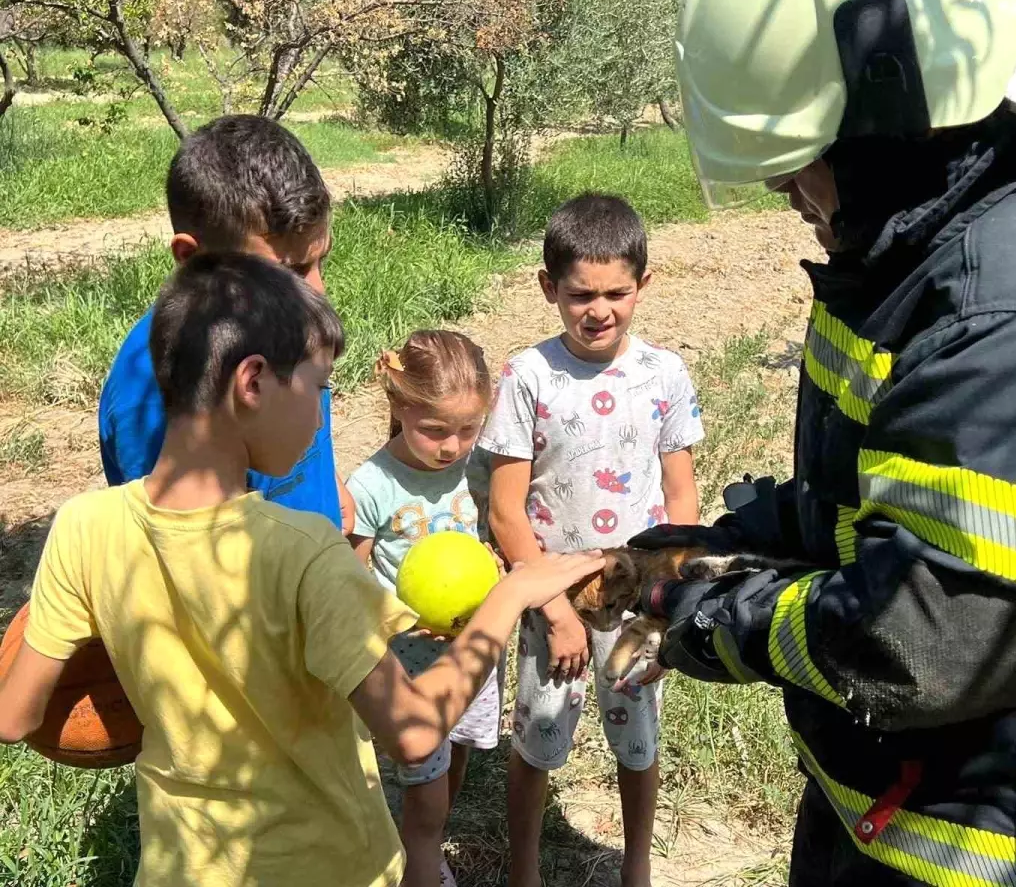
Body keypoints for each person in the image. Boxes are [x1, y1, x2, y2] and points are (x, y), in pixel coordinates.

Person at [622, 0, 1016, 885]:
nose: (786, 192)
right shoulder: (909, 258)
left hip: (1003, 852)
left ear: (889, 117)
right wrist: (737, 540)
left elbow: (920, 640)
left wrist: (711, 619)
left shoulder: (1015, 323)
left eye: (798, 162)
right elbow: (881, 483)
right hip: (901, 812)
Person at [0, 252, 605, 887]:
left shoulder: (82, 524)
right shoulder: (306, 551)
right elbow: (416, 734)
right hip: (330, 864)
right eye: (319, 387)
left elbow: (15, 717)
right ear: (253, 382)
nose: (322, 414)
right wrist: (509, 598)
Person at [479, 193, 705, 887]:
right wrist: (551, 611)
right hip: (552, 599)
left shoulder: (663, 374)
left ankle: (635, 867)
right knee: (538, 740)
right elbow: (506, 511)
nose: (598, 309)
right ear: (549, 288)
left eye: (616, 292)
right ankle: (525, 872)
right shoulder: (528, 377)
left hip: (639, 603)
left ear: (644, 284)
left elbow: (681, 499)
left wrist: (669, 608)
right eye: (580, 294)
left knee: (638, 743)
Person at [98, 114, 355, 535]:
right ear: (192, 259)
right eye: (290, 271)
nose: (318, 292)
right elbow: (188, 559)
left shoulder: (286, 331)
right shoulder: (150, 402)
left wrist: (325, 486)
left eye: (320, 260)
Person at [347, 331, 498, 887]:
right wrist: (401, 619)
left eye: (467, 429)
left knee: (455, 751)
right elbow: (350, 580)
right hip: (407, 664)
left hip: (471, 653)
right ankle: (419, 863)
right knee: (424, 790)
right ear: (398, 405)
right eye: (435, 429)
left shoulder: (477, 469)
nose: (451, 446)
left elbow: (493, 533)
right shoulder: (372, 485)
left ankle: (425, 847)